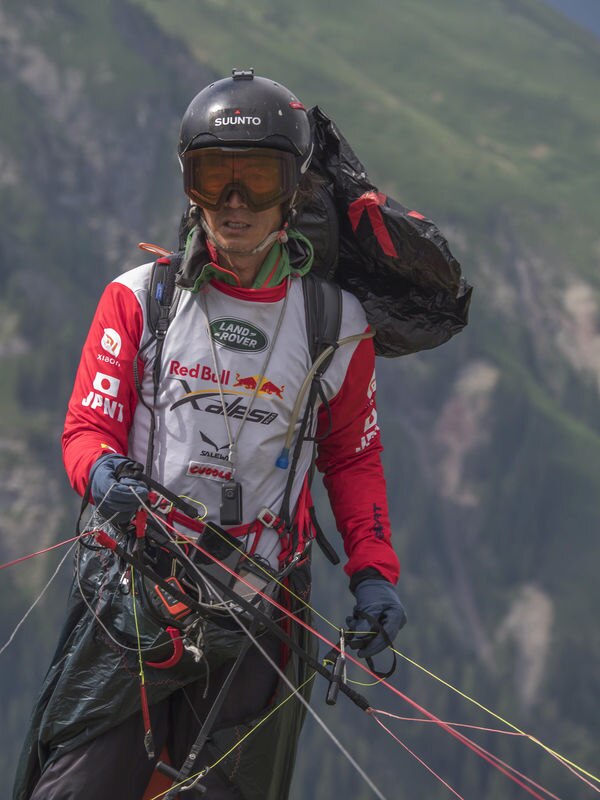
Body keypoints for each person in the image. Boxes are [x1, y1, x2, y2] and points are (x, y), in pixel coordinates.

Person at [13, 69, 406, 800]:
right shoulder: (138, 299)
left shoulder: (337, 326)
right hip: (136, 594)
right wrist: (104, 477)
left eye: (255, 179)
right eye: (212, 178)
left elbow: (354, 457)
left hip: (264, 608)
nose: (234, 204)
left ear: (291, 190)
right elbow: (87, 429)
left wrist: (374, 571)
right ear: (187, 186)